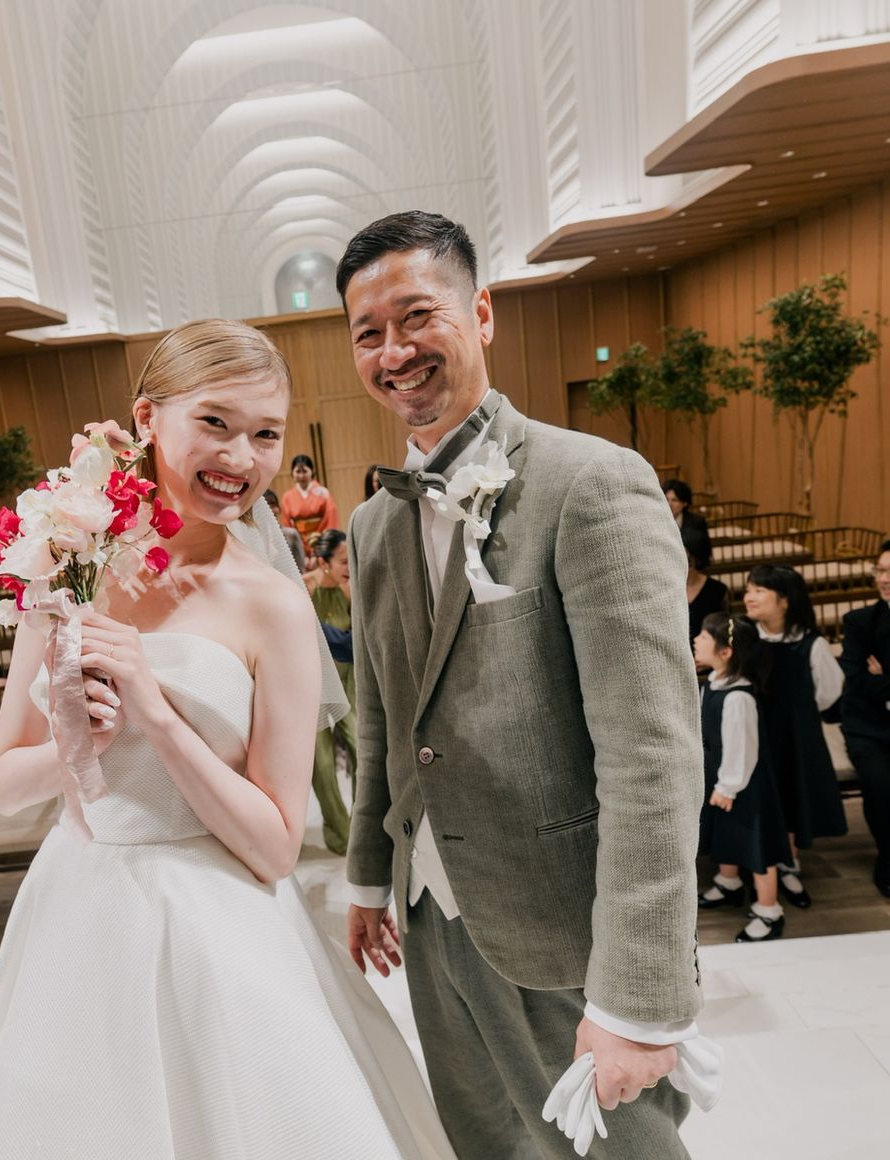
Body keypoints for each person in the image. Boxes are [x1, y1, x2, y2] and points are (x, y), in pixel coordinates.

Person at [0, 320, 457, 1160]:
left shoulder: (273, 605)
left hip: (217, 924)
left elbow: (275, 846)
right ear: (148, 418)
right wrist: (78, 744)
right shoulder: (66, 568)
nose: (241, 458)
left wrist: (154, 712)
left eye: (266, 434)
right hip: (77, 912)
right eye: (215, 423)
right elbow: (4, 787)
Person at [338, 211, 705, 1159]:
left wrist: (637, 993)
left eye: (417, 316)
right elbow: (383, 719)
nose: (394, 352)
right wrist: (372, 875)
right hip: (432, 915)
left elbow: (653, 755)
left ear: (483, 313)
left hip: (566, 924)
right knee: (487, 1142)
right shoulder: (371, 526)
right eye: (368, 333)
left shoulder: (593, 484)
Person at [743, 564, 846, 909]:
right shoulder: (745, 638)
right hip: (754, 734)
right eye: (748, 589)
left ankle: (789, 862)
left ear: (785, 600)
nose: (749, 597)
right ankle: (755, 863)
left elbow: (829, 692)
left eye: (759, 590)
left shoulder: (810, 644)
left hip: (795, 737)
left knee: (790, 794)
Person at [693, 613, 791, 943]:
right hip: (721, 780)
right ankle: (729, 883)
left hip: (744, 786)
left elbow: (742, 748)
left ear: (726, 652)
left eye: (704, 637)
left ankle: (769, 910)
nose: (696, 640)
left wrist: (728, 786)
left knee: (756, 847)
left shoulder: (738, 697)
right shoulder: (713, 684)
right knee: (727, 835)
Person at [838, 540, 890, 898]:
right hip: (868, 727)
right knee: (881, 787)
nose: (884, 579)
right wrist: (876, 680)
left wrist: (882, 677)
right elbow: (856, 680)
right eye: (881, 570)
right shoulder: (859, 622)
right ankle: (887, 857)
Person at [306, 529, 357, 856]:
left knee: (361, 751)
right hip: (309, 689)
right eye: (343, 561)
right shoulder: (302, 588)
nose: (350, 567)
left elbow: (354, 644)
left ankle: (364, 827)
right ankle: (341, 836)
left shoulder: (350, 590)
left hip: (347, 683)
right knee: (322, 765)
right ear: (324, 563)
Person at [280, 453, 339, 553]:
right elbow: (286, 523)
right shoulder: (287, 496)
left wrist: (322, 539)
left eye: (305, 471)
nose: (301, 475)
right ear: (292, 473)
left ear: (312, 472)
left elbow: (330, 516)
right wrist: (294, 540)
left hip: (320, 539)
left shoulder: (323, 493)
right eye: (298, 471)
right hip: (297, 541)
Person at [682, 525, 728, 647]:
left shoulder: (717, 590)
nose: (686, 563)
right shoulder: (668, 590)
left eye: (689, 559)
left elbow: (723, 629)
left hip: (709, 652)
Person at [264, 488, 306, 573]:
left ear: (279, 509)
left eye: (273, 505)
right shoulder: (253, 537)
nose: (271, 510)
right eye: (266, 506)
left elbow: (301, 568)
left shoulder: (291, 535)